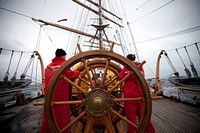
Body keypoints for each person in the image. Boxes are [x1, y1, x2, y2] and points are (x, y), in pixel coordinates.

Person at [41, 48, 80, 133]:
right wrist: (78, 72)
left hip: (49, 97)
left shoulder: (48, 67)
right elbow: (71, 75)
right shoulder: (64, 65)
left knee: (48, 118)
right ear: (63, 56)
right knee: (62, 121)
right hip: (61, 99)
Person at [118, 54, 156, 133]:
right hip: (140, 96)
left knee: (131, 120)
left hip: (130, 97)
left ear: (127, 60)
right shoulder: (140, 67)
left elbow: (120, 77)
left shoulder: (127, 67)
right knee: (145, 118)